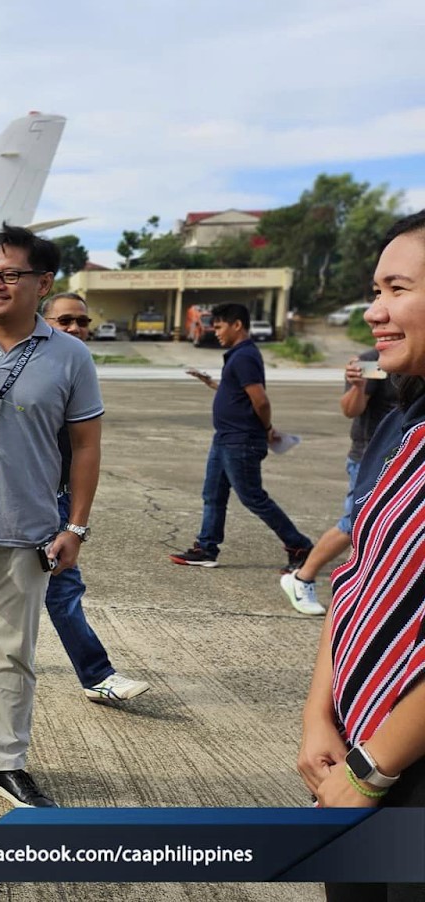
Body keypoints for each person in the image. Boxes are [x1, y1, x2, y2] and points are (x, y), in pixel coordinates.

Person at [0, 226, 104, 809]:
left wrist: (74, 527)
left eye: (10, 274)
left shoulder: (69, 354)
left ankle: (6, 761)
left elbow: (85, 445)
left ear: (43, 283)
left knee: (14, 652)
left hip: (30, 531)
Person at [297, 211, 425, 902]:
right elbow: (361, 580)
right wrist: (322, 715)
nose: (374, 311)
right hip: (360, 744)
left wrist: (372, 768)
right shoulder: (407, 427)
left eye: (396, 288)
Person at [40, 293, 151, 703]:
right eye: (65, 320)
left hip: (57, 501)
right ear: (44, 321)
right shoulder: (25, 370)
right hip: (11, 503)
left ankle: (96, 675)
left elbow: (87, 448)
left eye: (82, 321)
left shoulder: (78, 370)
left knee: (63, 590)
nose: (76, 328)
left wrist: (75, 521)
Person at [172, 302, 312, 569]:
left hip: (241, 440)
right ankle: (206, 548)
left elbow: (260, 401)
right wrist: (212, 383)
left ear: (237, 325)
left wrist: (267, 428)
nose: (216, 332)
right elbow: (238, 393)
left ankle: (300, 546)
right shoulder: (238, 356)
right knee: (213, 494)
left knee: (252, 497)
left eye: (220, 326)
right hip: (224, 438)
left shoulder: (245, 356)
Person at [279, 347, 397, 616]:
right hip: (371, 456)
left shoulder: (414, 357)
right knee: (352, 524)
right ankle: (301, 578)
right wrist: (357, 386)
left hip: (407, 454)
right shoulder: (373, 361)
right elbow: (350, 409)